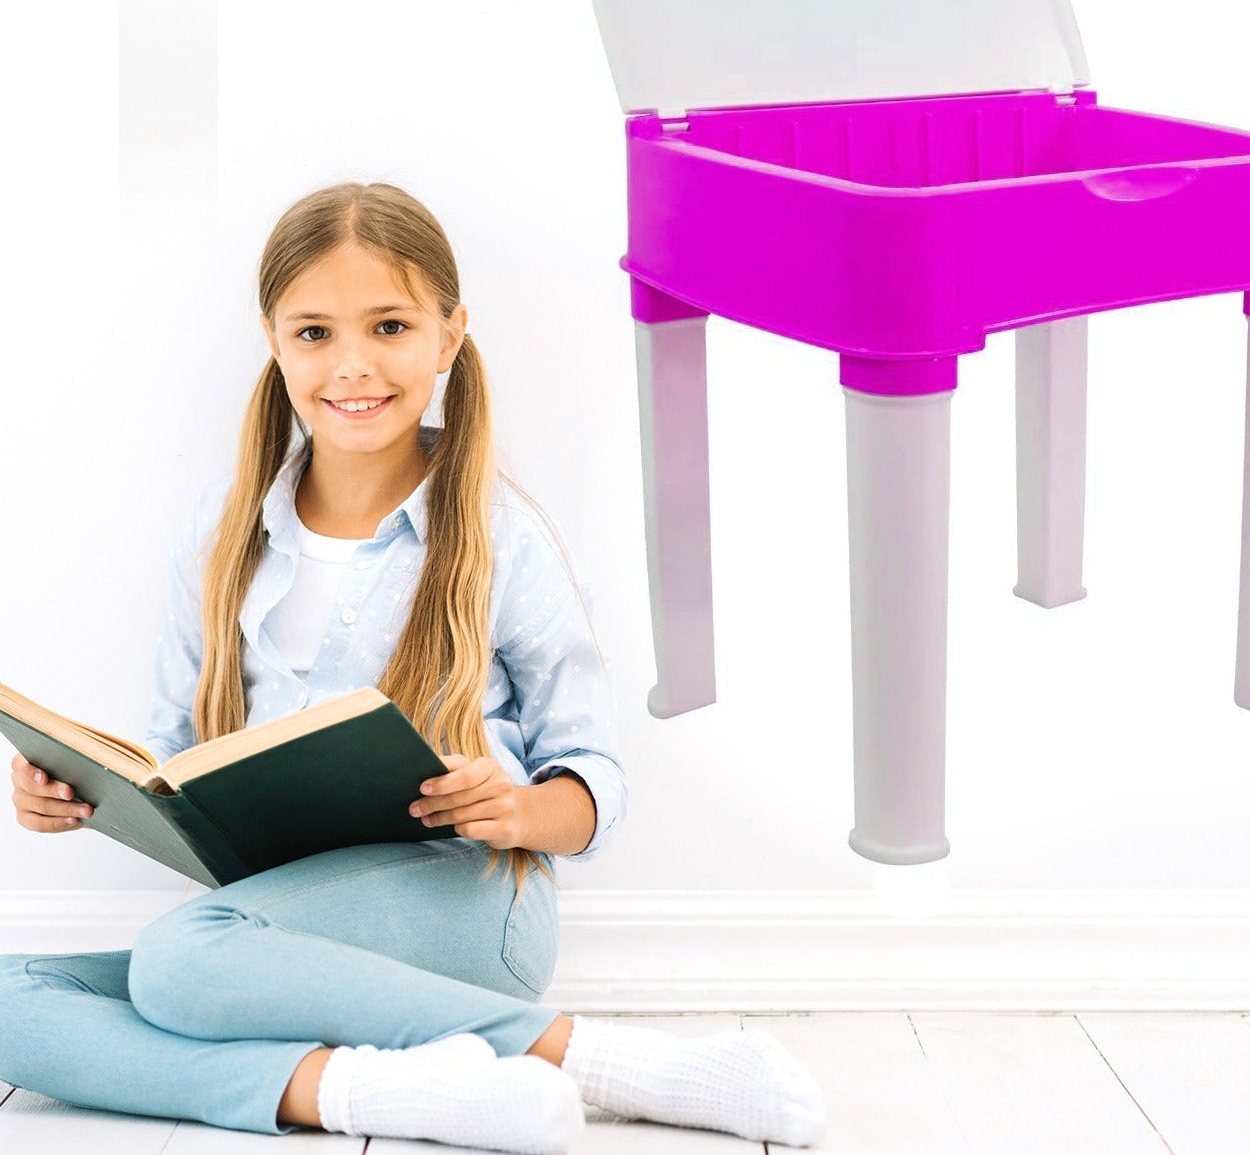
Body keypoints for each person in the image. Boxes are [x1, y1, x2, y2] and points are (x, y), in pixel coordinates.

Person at [0, 181, 825, 1153]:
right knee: (17, 995)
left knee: (177, 963)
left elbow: (593, 780)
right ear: (273, 339)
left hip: (462, 900)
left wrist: (515, 807)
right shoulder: (223, 537)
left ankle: (593, 1059)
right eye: (314, 334)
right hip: (272, 921)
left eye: (388, 326)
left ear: (447, 334)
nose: (351, 365)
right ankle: (375, 1094)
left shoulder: (500, 540)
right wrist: (90, 794)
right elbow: (178, 759)